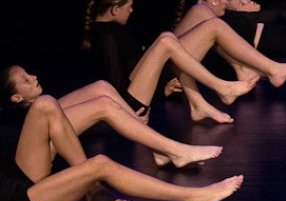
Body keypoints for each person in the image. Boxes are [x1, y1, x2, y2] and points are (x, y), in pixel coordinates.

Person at [84, 0, 286, 125]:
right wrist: (161, 91)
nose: (132, 10)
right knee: (203, 30)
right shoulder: (106, 37)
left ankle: (202, 102)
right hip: (142, 95)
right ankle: (266, 72)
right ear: (114, 9)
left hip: (156, 76)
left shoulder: (110, 30)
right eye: (128, 6)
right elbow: (117, 88)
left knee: (201, 11)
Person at [0, 96, 242, 201]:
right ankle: (195, 198)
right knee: (100, 165)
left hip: (17, 176)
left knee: (45, 105)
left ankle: (92, 188)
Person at [4, 66, 223, 171]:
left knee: (102, 87)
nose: (34, 76)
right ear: (16, 97)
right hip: (34, 153)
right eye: (26, 80)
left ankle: (158, 149)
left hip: (42, 121)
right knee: (104, 105)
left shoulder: (40, 105)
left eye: (28, 73)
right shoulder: (22, 119)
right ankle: (176, 150)